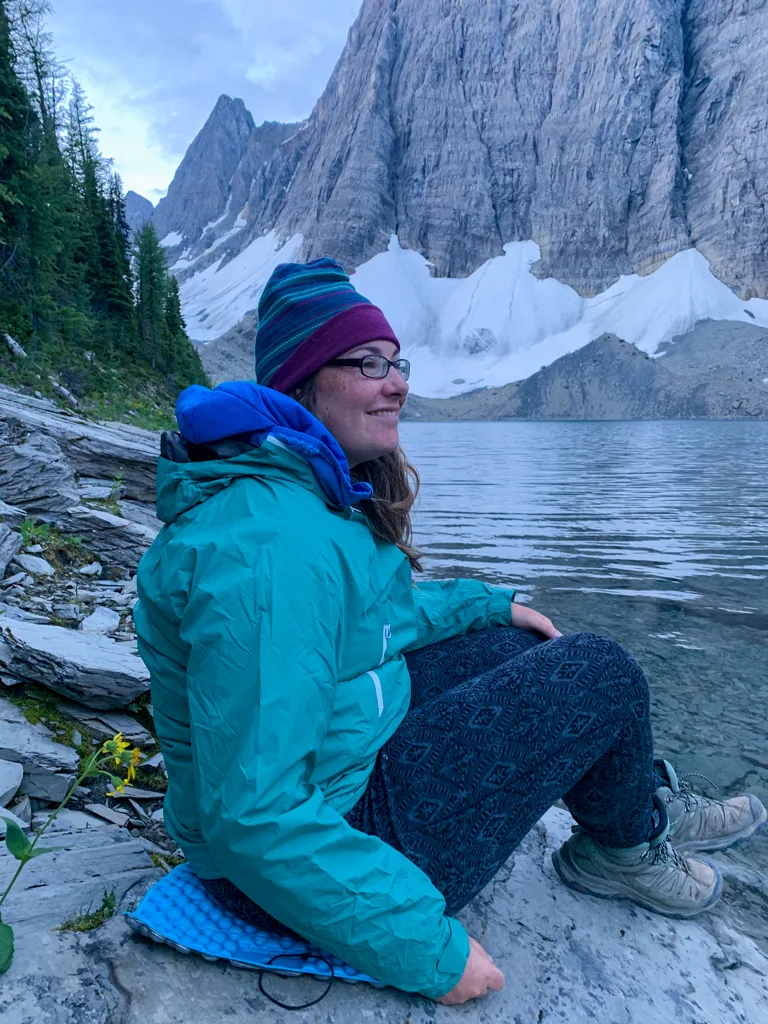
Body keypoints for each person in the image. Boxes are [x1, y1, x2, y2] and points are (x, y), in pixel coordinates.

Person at [134, 258, 766, 1006]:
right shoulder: (272, 549)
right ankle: (622, 849)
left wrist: (488, 605)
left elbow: (379, 615)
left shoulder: (291, 497)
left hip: (339, 777)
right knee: (598, 670)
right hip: (295, 862)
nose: (397, 382)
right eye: (369, 363)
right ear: (304, 381)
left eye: (395, 361)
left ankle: (631, 816)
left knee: (526, 647)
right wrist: (429, 951)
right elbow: (254, 813)